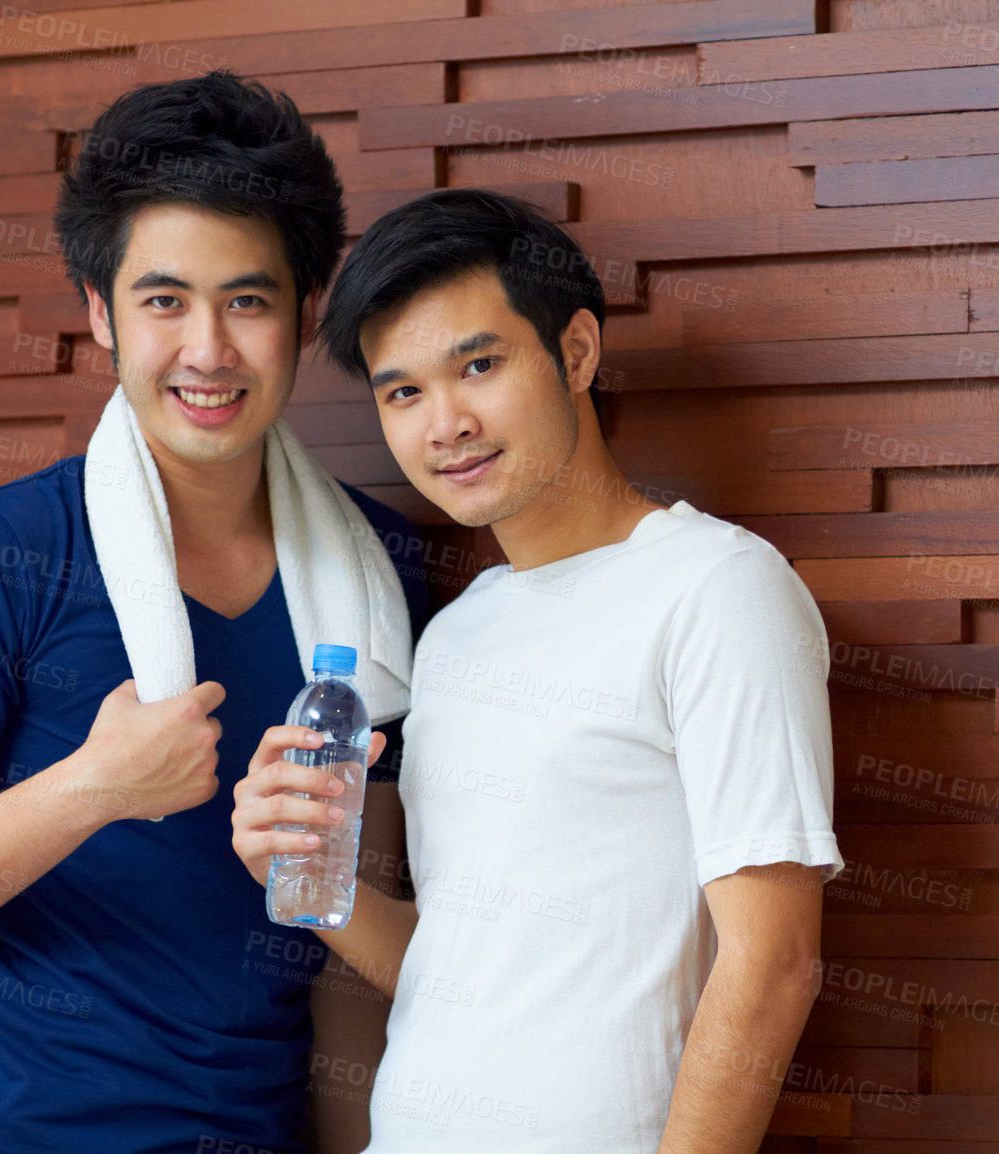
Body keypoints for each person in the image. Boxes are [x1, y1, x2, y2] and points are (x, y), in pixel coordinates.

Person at [0, 72, 427, 1154]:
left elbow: (355, 927)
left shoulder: (381, 571)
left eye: (247, 299)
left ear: (304, 311)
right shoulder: (5, 550)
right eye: (162, 300)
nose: (207, 349)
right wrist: (94, 787)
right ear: (99, 312)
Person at [231, 188, 844, 1152]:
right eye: (403, 392)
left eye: (479, 365)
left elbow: (775, 964)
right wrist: (309, 881)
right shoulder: (459, 633)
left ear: (577, 353)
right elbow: (456, 966)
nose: (445, 423)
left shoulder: (716, 587)